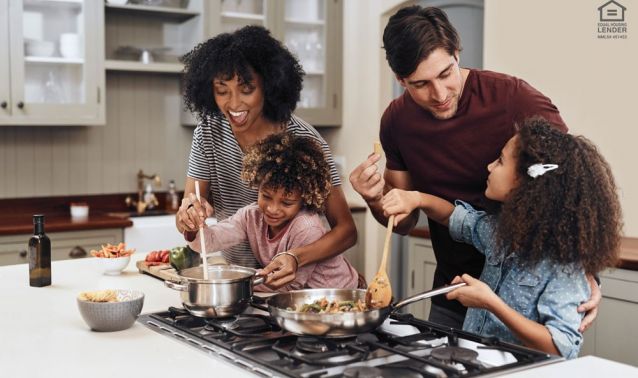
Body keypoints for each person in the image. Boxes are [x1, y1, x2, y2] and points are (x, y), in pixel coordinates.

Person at [349, 5, 601, 330]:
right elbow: (405, 221)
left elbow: (573, 182)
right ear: (401, 80)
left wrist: (585, 271)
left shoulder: (515, 99)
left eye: (445, 74)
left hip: (529, 299)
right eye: (420, 84)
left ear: (457, 53)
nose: (439, 94)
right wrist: (374, 198)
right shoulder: (397, 121)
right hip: (456, 293)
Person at [380, 118, 622, 358]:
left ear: (523, 181)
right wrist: (417, 199)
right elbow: (456, 217)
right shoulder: (501, 233)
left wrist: (490, 302)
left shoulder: (564, 264)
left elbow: (561, 347)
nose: (489, 167)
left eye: (500, 161)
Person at [177, 25, 356, 289]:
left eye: (246, 88)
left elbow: (346, 231)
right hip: (243, 280)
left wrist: (295, 257)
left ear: (269, 86)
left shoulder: (305, 141)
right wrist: (188, 216)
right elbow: (193, 210)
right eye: (222, 90)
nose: (233, 103)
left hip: (298, 287)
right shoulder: (208, 132)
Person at [185, 132, 361, 291]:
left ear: (304, 199)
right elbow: (209, 241)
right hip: (302, 300)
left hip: (340, 294)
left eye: (286, 202)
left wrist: (235, 282)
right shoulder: (251, 216)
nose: (272, 209)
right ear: (257, 186)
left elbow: (290, 285)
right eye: (266, 196)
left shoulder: (306, 227)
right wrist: (194, 228)